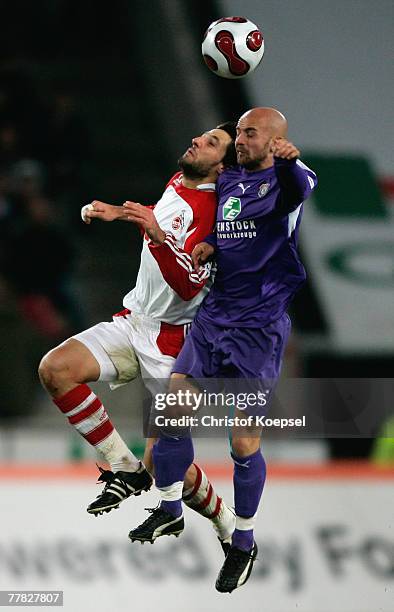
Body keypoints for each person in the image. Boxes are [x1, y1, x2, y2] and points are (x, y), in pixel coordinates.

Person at [129, 108, 318, 593]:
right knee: (172, 410)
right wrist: (212, 243)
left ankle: (244, 541)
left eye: (250, 133)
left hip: (260, 327)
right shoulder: (230, 177)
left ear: (275, 141)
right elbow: (229, 224)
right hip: (214, 318)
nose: (240, 139)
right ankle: (171, 509)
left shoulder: (287, 179)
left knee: (242, 444)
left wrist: (290, 163)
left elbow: (300, 187)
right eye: (238, 131)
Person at [38, 123, 237, 549]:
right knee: (56, 369)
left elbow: (189, 284)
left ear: (222, 168)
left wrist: (155, 234)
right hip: (134, 321)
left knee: (169, 467)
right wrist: (118, 212)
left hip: (177, 345)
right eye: (202, 135)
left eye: (211, 143)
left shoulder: (218, 217)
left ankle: (226, 523)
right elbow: (161, 216)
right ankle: (120, 465)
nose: (197, 140)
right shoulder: (178, 179)